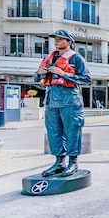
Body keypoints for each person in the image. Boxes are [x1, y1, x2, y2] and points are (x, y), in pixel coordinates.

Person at [36, 30, 91, 177]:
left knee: (73, 130)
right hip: (51, 100)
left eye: (61, 39)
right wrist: (40, 73)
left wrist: (63, 73)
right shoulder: (49, 58)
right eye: (56, 39)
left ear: (69, 42)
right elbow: (37, 77)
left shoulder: (76, 58)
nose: (57, 41)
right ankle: (59, 162)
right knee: (54, 133)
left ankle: (73, 162)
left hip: (70, 100)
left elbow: (86, 79)